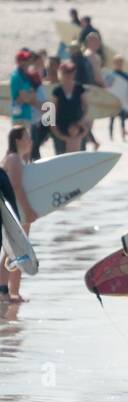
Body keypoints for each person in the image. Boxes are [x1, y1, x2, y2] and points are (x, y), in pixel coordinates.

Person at [1, 126, 37, 301]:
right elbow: (16, 187)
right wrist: (28, 210)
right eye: (27, 137)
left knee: (20, 253)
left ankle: (13, 292)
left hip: (18, 212)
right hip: (16, 212)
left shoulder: (16, 158)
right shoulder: (14, 159)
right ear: (17, 140)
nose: (30, 141)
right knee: (12, 253)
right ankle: (3, 292)